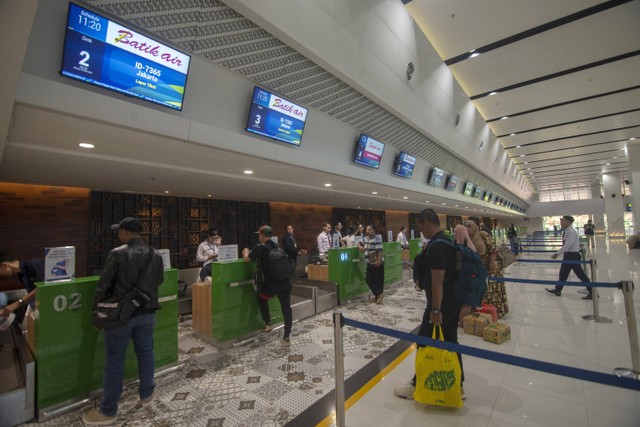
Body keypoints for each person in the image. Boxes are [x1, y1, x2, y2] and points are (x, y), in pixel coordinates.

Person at [82, 217, 164, 425]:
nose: (119, 234)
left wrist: (96, 315)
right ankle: (146, 394)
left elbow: (103, 286)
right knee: (146, 353)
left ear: (127, 233)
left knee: (114, 361)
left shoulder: (117, 254)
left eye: (120, 231)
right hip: (147, 312)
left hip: (121, 316)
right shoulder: (155, 254)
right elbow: (159, 280)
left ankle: (108, 411)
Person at [394, 208, 464, 400]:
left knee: (424, 341)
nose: (421, 231)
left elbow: (437, 280)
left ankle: (417, 385)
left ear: (426, 223)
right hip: (452, 302)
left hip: (441, 306)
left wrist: (435, 309)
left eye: (420, 226)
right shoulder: (446, 240)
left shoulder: (438, 246)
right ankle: (458, 385)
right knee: (450, 342)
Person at [242, 225, 293, 346]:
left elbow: (246, 259)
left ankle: (268, 322)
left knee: (261, 298)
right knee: (286, 308)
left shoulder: (260, 248)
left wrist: (245, 251)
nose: (258, 237)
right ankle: (287, 337)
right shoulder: (277, 246)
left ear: (262, 235)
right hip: (286, 282)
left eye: (259, 235)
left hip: (273, 284)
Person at [466, 220, 509, 318]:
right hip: (481, 269)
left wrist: (491, 263)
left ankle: (497, 311)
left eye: (470, 226)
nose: (468, 229)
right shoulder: (469, 239)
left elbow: (493, 248)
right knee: (485, 291)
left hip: (492, 267)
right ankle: (487, 312)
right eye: (466, 227)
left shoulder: (483, 234)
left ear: (475, 228)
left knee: (493, 290)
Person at [546, 215, 593, 299]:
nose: (561, 222)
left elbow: (568, 245)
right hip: (568, 255)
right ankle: (558, 290)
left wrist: (558, 253)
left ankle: (593, 292)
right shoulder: (567, 230)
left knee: (580, 275)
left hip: (573, 255)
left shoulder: (571, 231)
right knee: (563, 274)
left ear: (568, 222)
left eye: (563, 221)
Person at [0, 253, 44, 325]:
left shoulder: (34, 264)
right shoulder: (21, 275)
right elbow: (33, 296)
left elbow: (42, 287)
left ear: (4, 265)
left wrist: (17, 304)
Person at [454, 224, 476, 325]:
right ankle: (467, 321)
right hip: (471, 276)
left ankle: (463, 323)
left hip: (462, 277)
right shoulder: (470, 245)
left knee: (464, 302)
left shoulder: (459, 247)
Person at [358, 224, 385, 304]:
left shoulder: (377, 239)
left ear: (373, 230)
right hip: (369, 263)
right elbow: (359, 244)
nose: (367, 231)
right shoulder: (365, 238)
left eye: (369, 230)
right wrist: (359, 246)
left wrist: (379, 261)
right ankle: (379, 294)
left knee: (377, 281)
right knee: (369, 279)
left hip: (377, 263)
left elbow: (380, 250)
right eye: (366, 230)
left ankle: (378, 296)